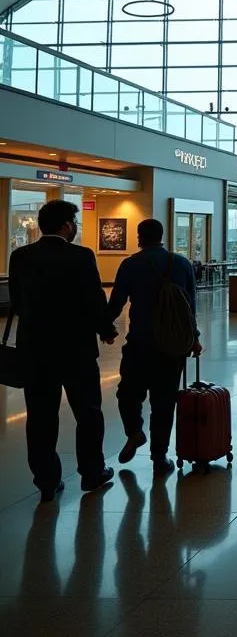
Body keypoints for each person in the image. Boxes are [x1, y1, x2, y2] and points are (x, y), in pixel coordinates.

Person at [7, 199, 118, 500]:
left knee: (41, 416)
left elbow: (16, 300)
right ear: (67, 225)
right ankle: (92, 473)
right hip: (76, 350)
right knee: (89, 413)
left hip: (35, 350)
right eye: (75, 222)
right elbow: (94, 299)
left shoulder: (20, 257)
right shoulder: (81, 256)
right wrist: (106, 330)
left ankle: (46, 480)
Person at [108, 218, 201, 472]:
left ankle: (134, 430)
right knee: (164, 401)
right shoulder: (181, 264)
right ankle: (159, 457)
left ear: (139, 237)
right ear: (163, 236)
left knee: (128, 393)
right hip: (172, 345)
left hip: (139, 342)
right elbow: (190, 305)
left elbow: (116, 302)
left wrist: (104, 328)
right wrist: (195, 337)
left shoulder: (130, 264)